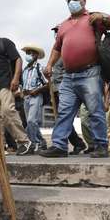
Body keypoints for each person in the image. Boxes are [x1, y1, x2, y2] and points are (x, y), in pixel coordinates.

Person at [42, 0, 110, 158]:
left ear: (83, 1)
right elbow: (57, 47)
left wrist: (104, 17)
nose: (72, 2)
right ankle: (59, 145)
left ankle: (101, 145)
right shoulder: (63, 25)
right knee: (64, 111)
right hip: (68, 75)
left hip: (90, 72)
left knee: (95, 110)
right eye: (69, 0)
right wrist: (49, 64)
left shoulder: (94, 17)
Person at [40, 26, 85, 158]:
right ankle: (78, 143)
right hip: (54, 89)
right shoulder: (55, 52)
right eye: (55, 32)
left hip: (64, 89)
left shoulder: (68, 50)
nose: (56, 34)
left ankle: (78, 143)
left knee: (63, 118)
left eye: (58, 32)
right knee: (62, 119)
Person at [0, 30, 31, 155]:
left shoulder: (4, 42)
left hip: (5, 84)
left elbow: (18, 59)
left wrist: (16, 78)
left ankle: (24, 141)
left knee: (7, 110)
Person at [20, 45, 48, 154]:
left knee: (32, 120)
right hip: (26, 97)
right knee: (30, 122)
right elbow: (22, 84)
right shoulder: (25, 70)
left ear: (36, 55)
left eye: (31, 53)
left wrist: (36, 90)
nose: (28, 55)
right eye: (27, 53)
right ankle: (41, 141)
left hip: (36, 96)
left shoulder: (40, 68)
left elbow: (47, 84)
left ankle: (33, 143)